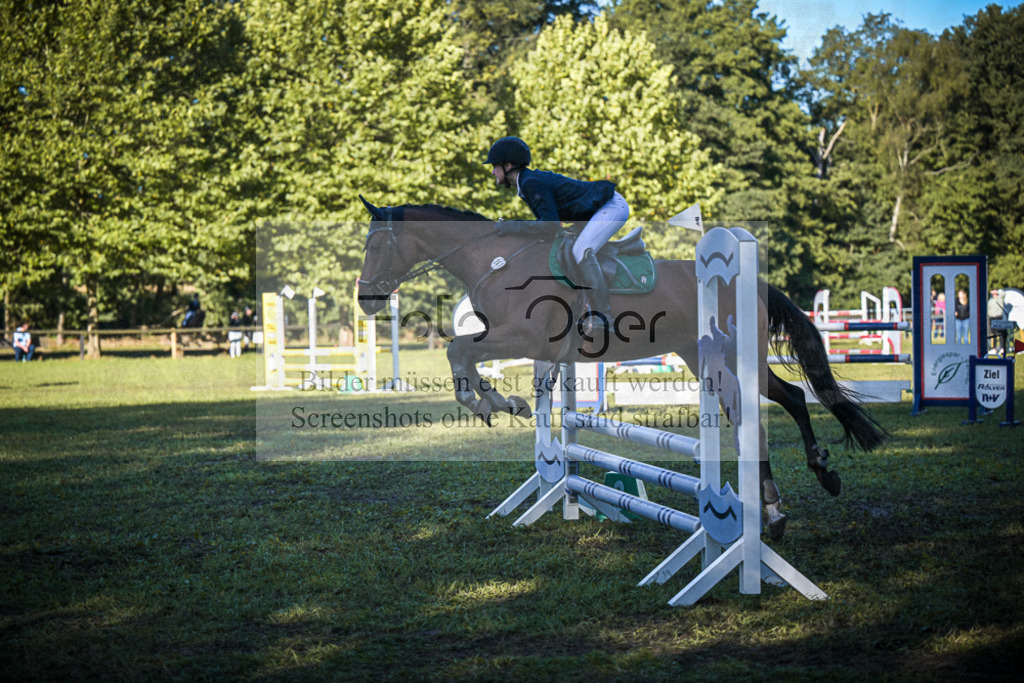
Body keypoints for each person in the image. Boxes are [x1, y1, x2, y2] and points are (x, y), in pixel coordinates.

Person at [485, 136, 630, 332]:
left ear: (508, 165)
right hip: (596, 212)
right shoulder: (527, 183)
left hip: (611, 207)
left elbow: (550, 226)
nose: (493, 171)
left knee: (581, 251)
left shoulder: (531, 183)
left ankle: (603, 316)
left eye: (495, 166)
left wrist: (511, 226)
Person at [988, 289, 1007, 354]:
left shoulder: (1000, 299)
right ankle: (994, 348)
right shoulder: (990, 300)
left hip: (998, 317)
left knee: (1000, 334)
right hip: (992, 318)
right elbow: (988, 309)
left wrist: (997, 291)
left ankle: (1002, 348)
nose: (994, 294)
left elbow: (1003, 293)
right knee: (994, 334)